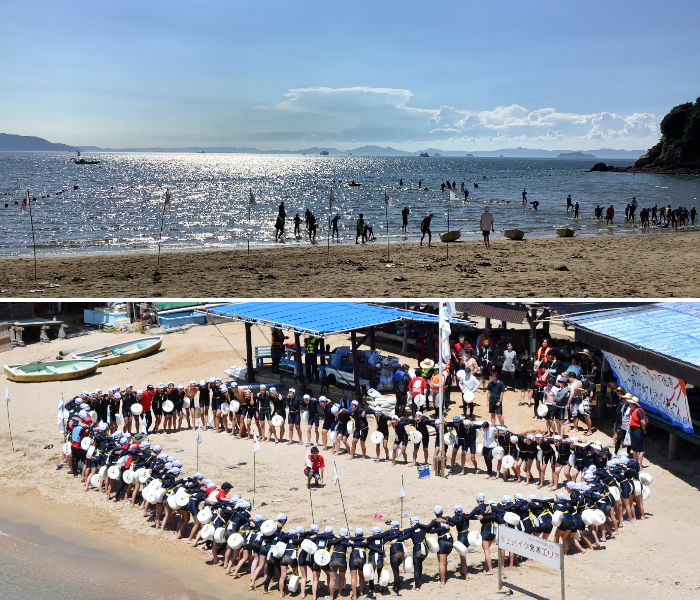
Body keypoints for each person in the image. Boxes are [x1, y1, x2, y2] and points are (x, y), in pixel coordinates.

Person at [627, 396, 647, 468]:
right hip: (632, 430)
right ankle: (635, 464)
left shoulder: (638, 411)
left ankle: (640, 465)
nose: (629, 404)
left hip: (637, 430)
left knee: (639, 449)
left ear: (634, 404)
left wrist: (644, 429)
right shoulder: (632, 410)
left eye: (631, 403)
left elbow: (643, 422)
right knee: (634, 448)